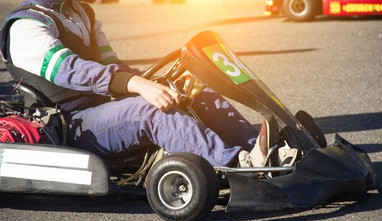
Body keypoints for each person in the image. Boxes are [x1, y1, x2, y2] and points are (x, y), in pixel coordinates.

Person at [0, 0, 271, 168]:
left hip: (103, 108)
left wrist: (159, 82)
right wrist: (138, 85)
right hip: (71, 124)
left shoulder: (82, 12)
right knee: (148, 111)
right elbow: (72, 71)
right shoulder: (26, 25)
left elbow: (112, 65)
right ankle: (236, 165)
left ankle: (263, 151)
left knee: (195, 92)